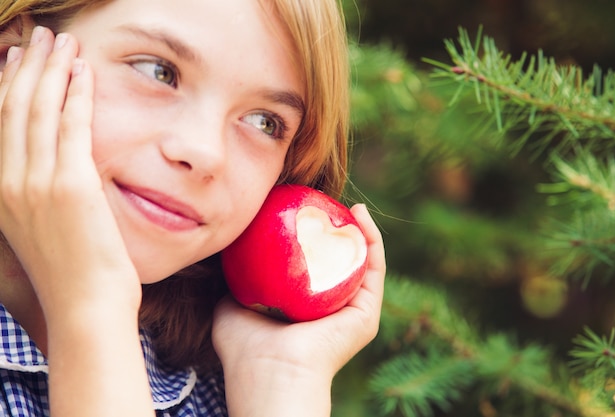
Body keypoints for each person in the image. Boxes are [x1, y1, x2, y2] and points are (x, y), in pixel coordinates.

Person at [0, 0, 386, 416]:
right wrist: (90, 306)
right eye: (159, 72)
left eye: (263, 122)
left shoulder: (219, 389)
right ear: (10, 55)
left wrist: (281, 382)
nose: (206, 153)